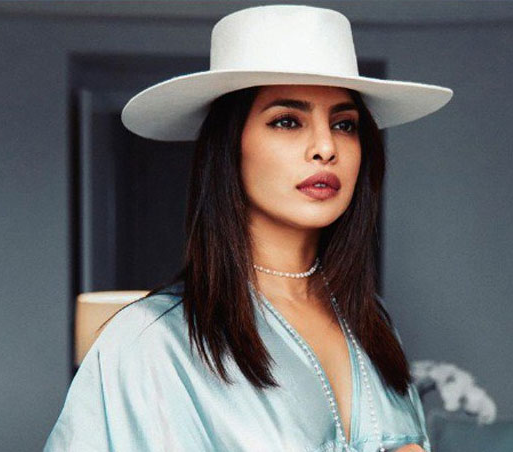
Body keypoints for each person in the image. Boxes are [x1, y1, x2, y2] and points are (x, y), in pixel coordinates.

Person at [44, 4, 453, 452]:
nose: (325, 147)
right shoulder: (149, 340)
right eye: (287, 121)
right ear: (229, 147)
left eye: (344, 124)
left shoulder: (373, 323)